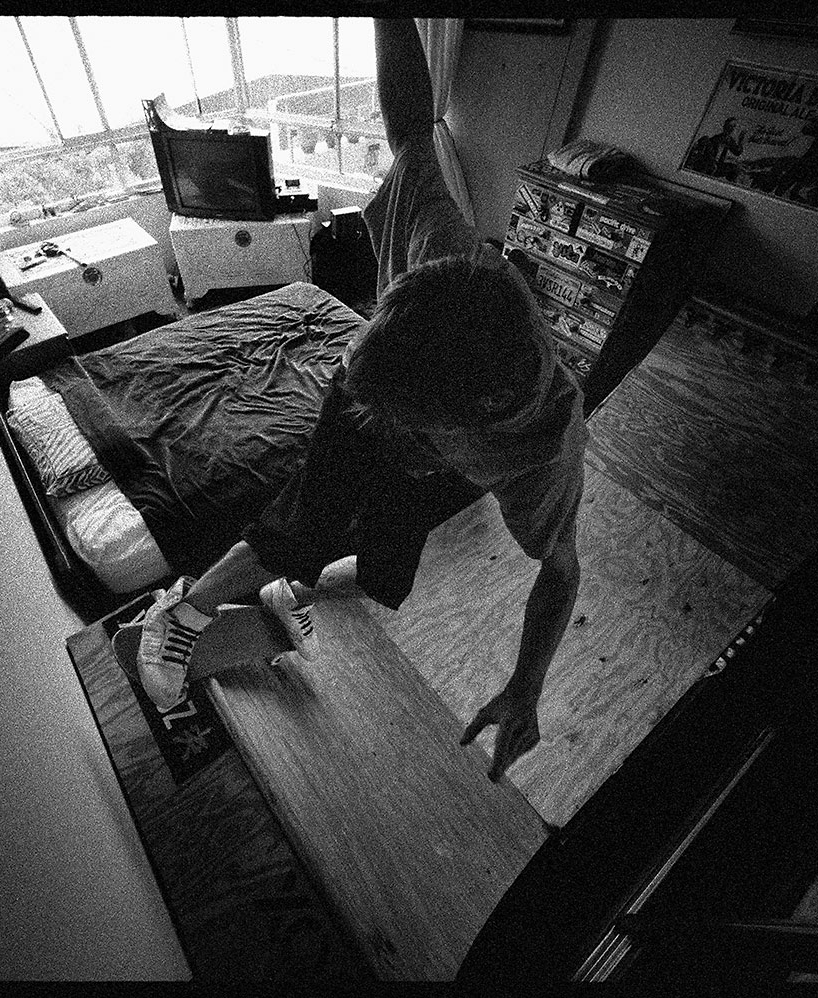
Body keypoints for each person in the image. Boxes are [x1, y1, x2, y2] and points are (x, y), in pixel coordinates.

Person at [136, 19, 586, 782]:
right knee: (310, 517)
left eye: (415, 437)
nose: (397, 442)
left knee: (388, 575)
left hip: (422, 408)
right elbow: (412, 127)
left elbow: (562, 571)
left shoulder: (542, 452)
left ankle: (291, 587)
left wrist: (527, 687)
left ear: (478, 423)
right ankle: (180, 610)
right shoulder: (449, 252)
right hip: (377, 377)